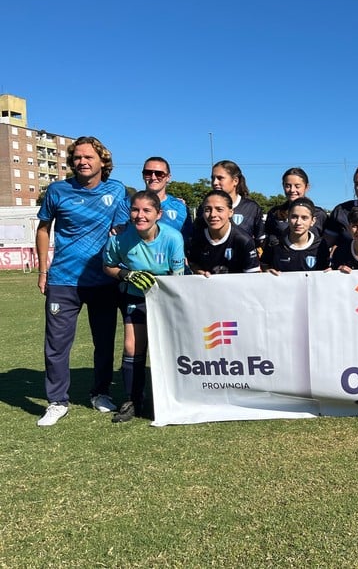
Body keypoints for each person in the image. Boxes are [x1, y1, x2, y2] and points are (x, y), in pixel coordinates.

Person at [35, 136, 130, 426]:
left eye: (89, 157)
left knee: (103, 342)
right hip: (63, 280)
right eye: (77, 157)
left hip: (103, 280)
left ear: (103, 161)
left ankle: (100, 393)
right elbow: (43, 229)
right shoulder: (57, 190)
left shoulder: (116, 190)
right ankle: (57, 401)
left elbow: (124, 228)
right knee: (57, 345)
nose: (82, 162)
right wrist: (43, 269)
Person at [103, 190, 185, 422]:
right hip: (136, 298)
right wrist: (126, 274)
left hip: (168, 300)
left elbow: (178, 276)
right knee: (132, 347)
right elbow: (108, 266)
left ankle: (171, 398)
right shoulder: (119, 239)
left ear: (158, 214)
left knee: (171, 349)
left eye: (146, 210)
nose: (140, 215)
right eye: (135, 210)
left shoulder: (172, 238)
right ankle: (132, 400)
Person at [187, 190, 260, 275]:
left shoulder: (244, 240)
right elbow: (193, 263)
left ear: (230, 212)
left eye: (219, 209)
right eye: (207, 210)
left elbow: (253, 277)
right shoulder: (196, 238)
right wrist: (199, 272)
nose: (213, 214)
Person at [200, 160, 265, 248]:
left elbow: (260, 241)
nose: (215, 182)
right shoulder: (204, 207)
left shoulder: (251, 207)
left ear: (235, 181)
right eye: (213, 178)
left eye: (220, 178)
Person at [261, 197, 330, 273]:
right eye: (294, 217)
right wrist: (267, 271)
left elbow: (325, 271)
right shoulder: (275, 244)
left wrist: (330, 272)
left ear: (313, 221)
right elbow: (264, 265)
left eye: (304, 218)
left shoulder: (321, 245)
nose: (298, 222)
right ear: (288, 218)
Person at [264, 167, 327, 239]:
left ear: (306, 187)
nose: (292, 190)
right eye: (288, 186)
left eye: (297, 186)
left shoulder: (319, 214)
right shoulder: (274, 213)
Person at [141, 156, 193, 241]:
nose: (153, 177)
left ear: (168, 177)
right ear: (143, 175)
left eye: (159, 174)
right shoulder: (128, 204)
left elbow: (188, 241)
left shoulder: (180, 207)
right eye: (148, 173)